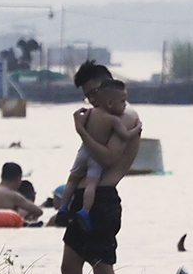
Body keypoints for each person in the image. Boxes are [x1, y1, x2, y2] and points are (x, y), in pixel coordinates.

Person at [62, 60, 143, 274]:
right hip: (83, 198)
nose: (91, 100)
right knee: (70, 268)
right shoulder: (100, 115)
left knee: (102, 269)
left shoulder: (125, 116)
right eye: (87, 96)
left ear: (108, 85)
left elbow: (109, 158)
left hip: (102, 199)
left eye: (94, 92)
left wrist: (81, 132)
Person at [53, 79, 139, 229]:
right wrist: (137, 129)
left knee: (71, 180)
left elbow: (83, 127)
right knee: (91, 184)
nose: (125, 105)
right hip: (95, 157)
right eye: (123, 101)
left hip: (82, 152)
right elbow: (125, 135)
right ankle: (85, 211)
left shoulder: (89, 113)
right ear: (110, 103)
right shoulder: (113, 120)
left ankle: (63, 207)